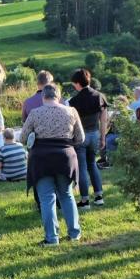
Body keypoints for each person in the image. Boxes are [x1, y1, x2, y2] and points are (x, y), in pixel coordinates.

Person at [21, 84, 83, 246]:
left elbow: (22, 138)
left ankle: (52, 238)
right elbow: (80, 138)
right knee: (67, 195)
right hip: (65, 157)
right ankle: (74, 233)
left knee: (47, 199)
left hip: (42, 159)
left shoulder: (35, 113)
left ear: (43, 97)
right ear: (59, 96)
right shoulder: (72, 111)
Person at [68, 69, 107, 210]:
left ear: (78, 83)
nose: (74, 86)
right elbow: (104, 119)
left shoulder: (73, 101)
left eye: (74, 84)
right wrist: (103, 137)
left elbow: (71, 123)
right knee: (93, 164)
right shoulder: (99, 96)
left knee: (82, 168)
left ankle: (85, 201)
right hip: (95, 133)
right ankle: (99, 196)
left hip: (81, 136)